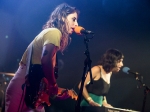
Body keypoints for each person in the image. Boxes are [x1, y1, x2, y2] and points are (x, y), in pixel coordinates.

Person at [5, 3, 79, 112]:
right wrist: (53, 84)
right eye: (73, 19)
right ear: (63, 17)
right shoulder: (55, 32)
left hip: (29, 89)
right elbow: (45, 61)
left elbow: (41, 77)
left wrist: (56, 91)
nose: (76, 24)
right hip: (24, 88)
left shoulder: (52, 34)